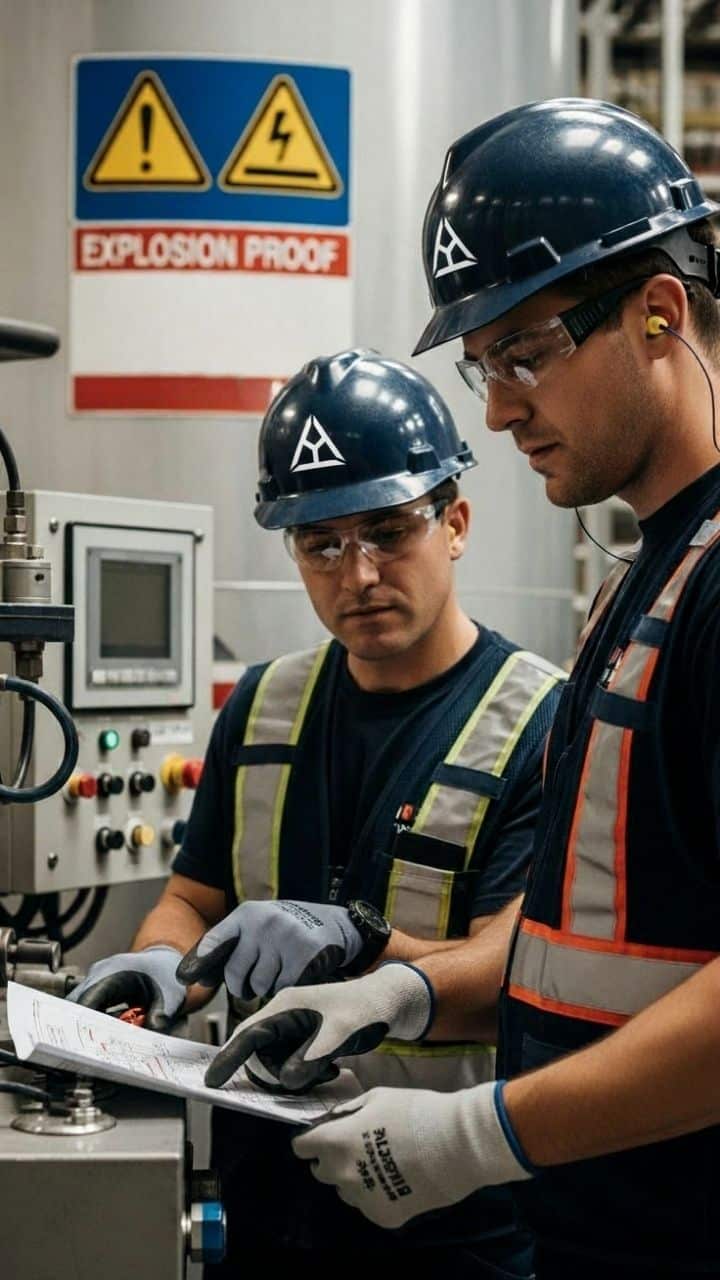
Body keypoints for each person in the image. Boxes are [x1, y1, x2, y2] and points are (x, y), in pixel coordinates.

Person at [213, 101, 720, 1279]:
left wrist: (473, 1132)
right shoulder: (645, 579)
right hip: (595, 1231)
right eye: (481, 365)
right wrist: (398, 995)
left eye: (523, 353)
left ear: (658, 312)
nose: (494, 410)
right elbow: (570, 953)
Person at [68, 348, 563, 1269]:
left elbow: (522, 976)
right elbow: (193, 895)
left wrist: (358, 937)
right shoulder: (260, 705)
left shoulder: (539, 720)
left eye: (387, 531)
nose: (358, 573)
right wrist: (161, 962)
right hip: (268, 1196)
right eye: (321, 543)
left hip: (451, 1212)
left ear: (454, 522)